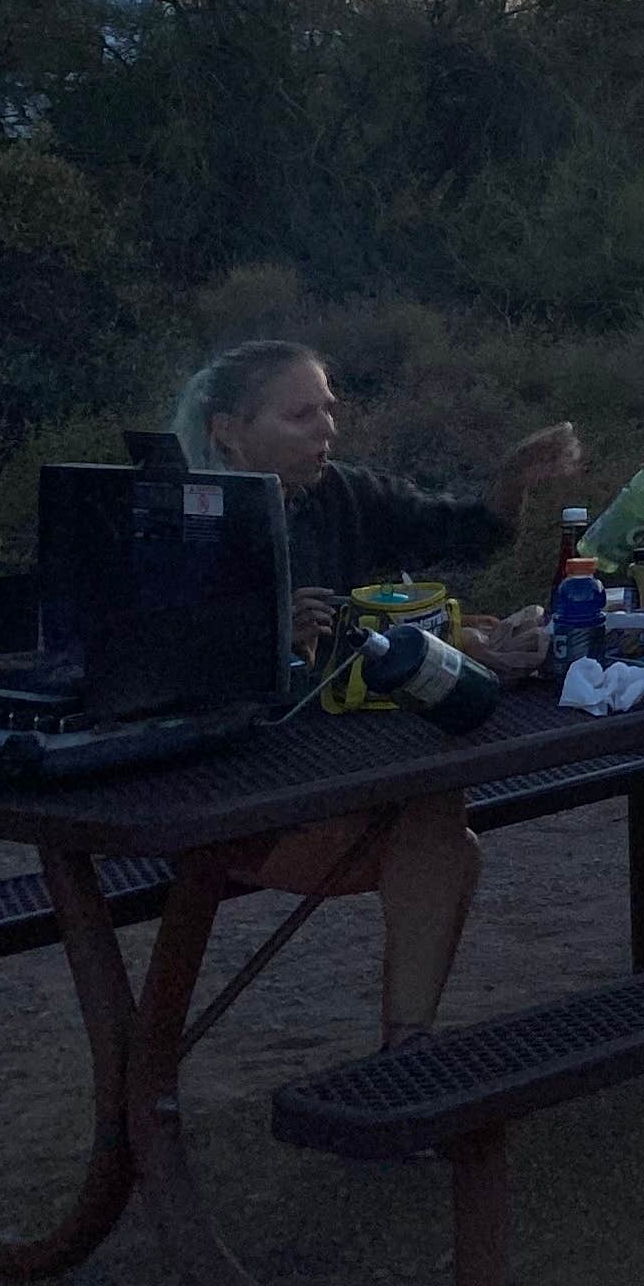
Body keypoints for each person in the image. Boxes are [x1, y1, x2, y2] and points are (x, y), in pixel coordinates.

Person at [172, 340, 584, 1043]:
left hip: (348, 773)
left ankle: (405, 1050)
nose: (327, 430)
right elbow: (146, 665)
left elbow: (462, 530)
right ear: (227, 431)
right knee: (443, 829)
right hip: (233, 803)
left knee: (440, 806)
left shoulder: (344, 495)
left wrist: (514, 482)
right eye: (301, 415)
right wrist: (260, 639)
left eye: (327, 411)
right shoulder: (181, 520)